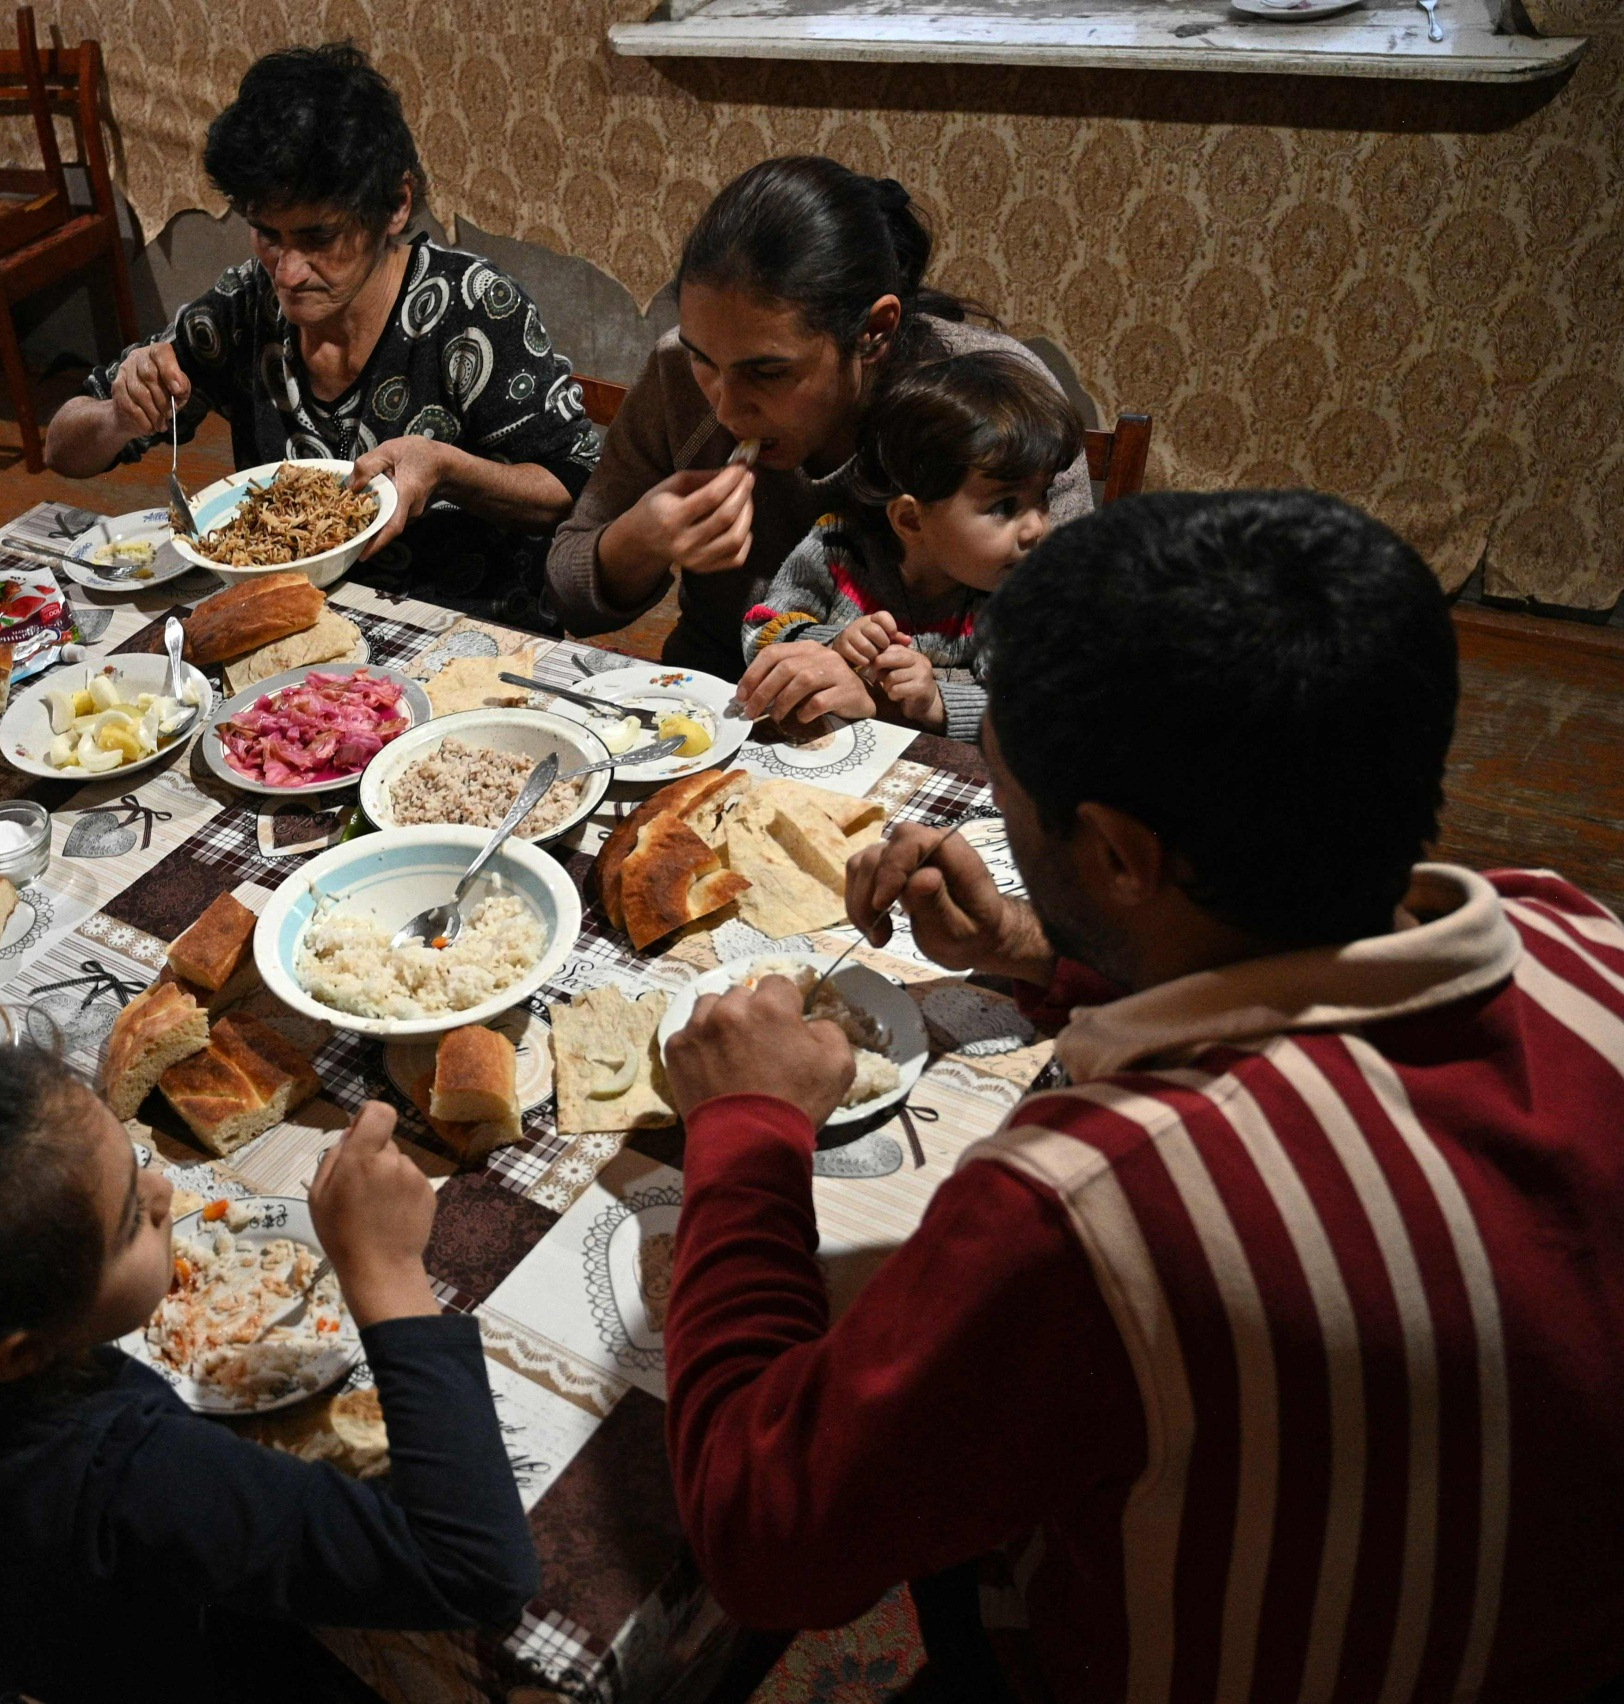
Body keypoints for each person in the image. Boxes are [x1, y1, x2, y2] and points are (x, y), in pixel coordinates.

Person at [659, 490, 1624, 1702]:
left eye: (1008, 803)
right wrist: (1030, 945)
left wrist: (747, 1130)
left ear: (1118, 856)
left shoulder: (1092, 1203)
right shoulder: (1578, 931)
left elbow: (765, 1540)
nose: (1001, 818)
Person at [0, 1045, 538, 1704]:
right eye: (130, 1219)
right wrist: (388, 1272)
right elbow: (478, 1569)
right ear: (21, 1352)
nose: (162, 1185)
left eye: (131, 1159)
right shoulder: (126, 1477)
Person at [42, 43, 599, 631]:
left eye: (319, 237)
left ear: (395, 204)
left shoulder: (473, 310)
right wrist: (122, 416)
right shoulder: (245, 305)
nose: (287, 272)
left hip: (458, 626)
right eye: (267, 234)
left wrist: (446, 468)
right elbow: (62, 449)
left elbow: (574, 486)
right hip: (293, 624)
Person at [546, 156, 1090, 704]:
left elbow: (1071, 669)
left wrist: (885, 698)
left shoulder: (995, 408)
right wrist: (639, 541)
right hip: (713, 703)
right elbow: (566, 593)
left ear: (875, 331)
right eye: (704, 359)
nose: (728, 409)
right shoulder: (677, 376)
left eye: (769, 372)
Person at [739, 348, 1081, 738]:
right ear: (910, 519)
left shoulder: (1014, 596)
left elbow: (1031, 709)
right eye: (1005, 506)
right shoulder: (839, 548)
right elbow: (759, 627)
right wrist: (832, 645)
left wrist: (937, 704)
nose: (1036, 527)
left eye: (1042, 497)